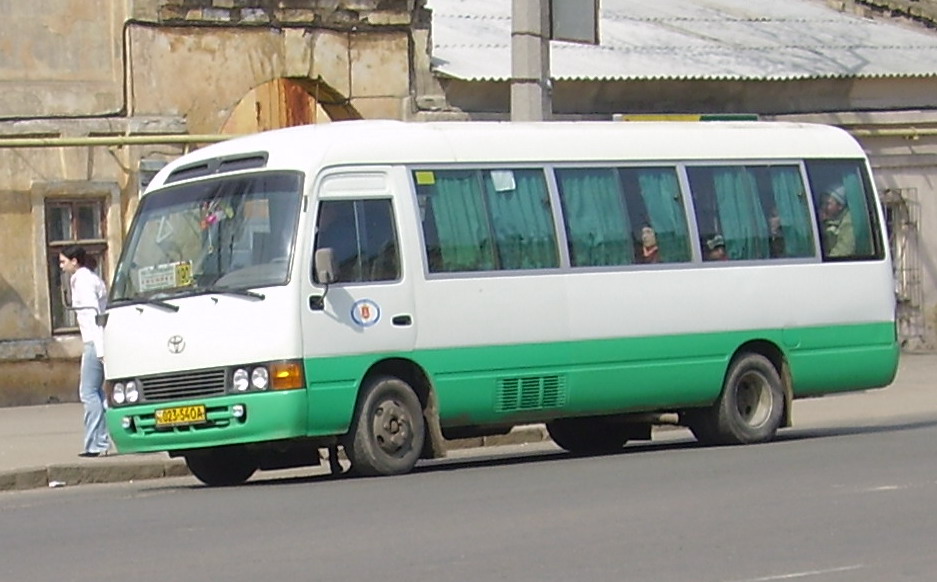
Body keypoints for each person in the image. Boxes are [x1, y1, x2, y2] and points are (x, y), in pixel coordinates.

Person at [59, 246, 110, 457]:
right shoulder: (85, 278)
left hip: (94, 341)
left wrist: (99, 348)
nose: (61, 266)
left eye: (63, 262)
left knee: (88, 393)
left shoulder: (83, 281)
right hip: (98, 341)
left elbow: (93, 314)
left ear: (74, 261)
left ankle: (95, 444)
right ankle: (102, 440)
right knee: (97, 393)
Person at [819, 185, 855, 258]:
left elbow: (844, 250)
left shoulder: (849, 223)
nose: (823, 207)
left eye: (828, 204)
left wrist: (827, 262)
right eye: (822, 203)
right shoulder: (829, 220)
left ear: (840, 206)